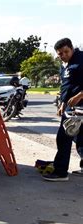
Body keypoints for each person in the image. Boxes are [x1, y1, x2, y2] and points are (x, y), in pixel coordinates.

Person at [43, 38, 83, 181]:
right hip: (70, 106)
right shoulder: (65, 65)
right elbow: (66, 86)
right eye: (60, 54)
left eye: (66, 52)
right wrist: (62, 103)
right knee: (80, 137)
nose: (63, 55)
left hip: (79, 106)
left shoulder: (81, 59)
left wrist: (80, 95)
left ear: (72, 48)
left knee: (64, 137)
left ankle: (60, 172)